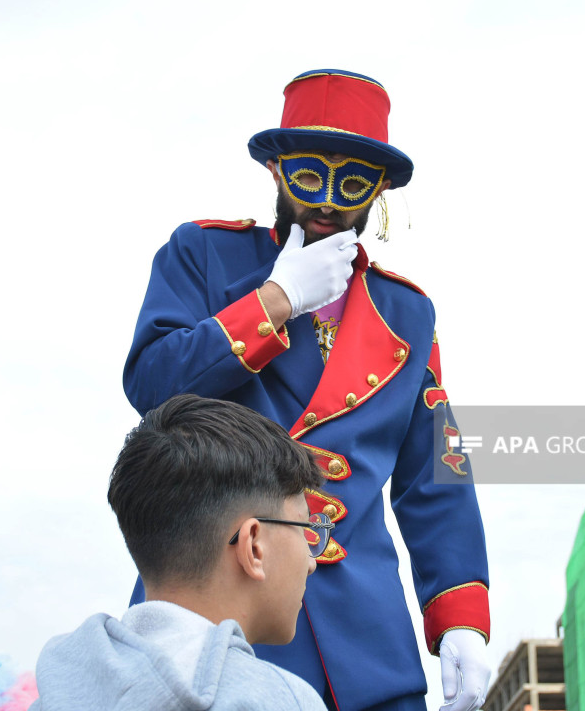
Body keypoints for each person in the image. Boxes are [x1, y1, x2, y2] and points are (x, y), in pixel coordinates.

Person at [123, 69, 490, 711]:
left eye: (350, 182)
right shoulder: (204, 256)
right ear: (276, 171)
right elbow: (153, 386)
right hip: (215, 614)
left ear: (377, 193)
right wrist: (277, 299)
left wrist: (460, 610)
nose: (326, 201)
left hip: (367, 639)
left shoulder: (408, 313)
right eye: (308, 176)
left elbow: (437, 472)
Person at [29, 393, 330, 711]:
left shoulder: (54, 695)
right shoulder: (280, 700)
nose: (311, 562)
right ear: (253, 545)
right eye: (304, 529)